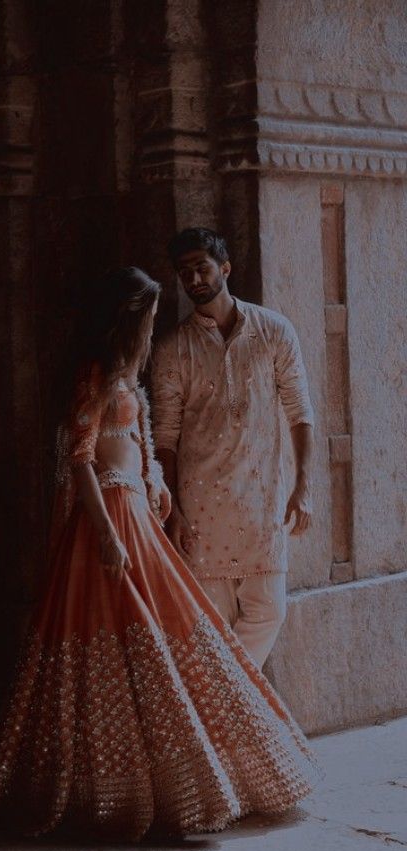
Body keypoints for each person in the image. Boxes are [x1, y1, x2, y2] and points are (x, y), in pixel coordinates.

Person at [0, 266, 320, 842]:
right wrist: (106, 532)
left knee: (177, 632)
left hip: (137, 511)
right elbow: (82, 457)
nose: (158, 321)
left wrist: (155, 482)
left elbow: (136, 442)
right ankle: (140, 789)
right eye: (152, 314)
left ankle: (187, 778)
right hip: (111, 517)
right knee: (138, 637)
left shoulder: (127, 374)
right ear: (131, 316)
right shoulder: (96, 373)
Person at [152, 227, 315, 670]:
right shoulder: (172, 348)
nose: (193, 280)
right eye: (184, 273)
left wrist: (303, 485)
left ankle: (229, 713)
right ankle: (234, 725)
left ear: (225, 268)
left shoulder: (274, 331)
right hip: (200, 506)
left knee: (269, 612)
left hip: (264, 499)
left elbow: (301, 413)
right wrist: (174, 511)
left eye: (201, 268)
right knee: (212, 625)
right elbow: (164, 437)